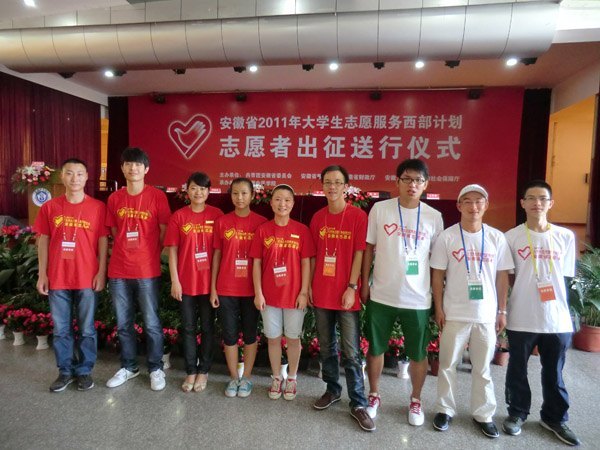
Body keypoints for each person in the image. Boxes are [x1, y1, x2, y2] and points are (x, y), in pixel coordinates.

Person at [361, 158, 444, 425]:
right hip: (382, 293)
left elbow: (437, 262)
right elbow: (369, 248)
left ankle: (416, 400)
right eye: (406, 179)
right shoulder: (380, 209)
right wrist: (364, 282)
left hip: (418, 298)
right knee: (375, 348)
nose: (412, 185)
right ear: (397, 182)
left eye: (418, 180)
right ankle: (374, 395)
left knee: (418, 352)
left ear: (426, 184)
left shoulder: (433, 216)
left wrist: (438, 299)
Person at [430, 184, 513, 438]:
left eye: (479, 201)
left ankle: (483, 414)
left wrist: (502, 311)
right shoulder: (447, 237)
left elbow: (502, 277)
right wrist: (438, 307)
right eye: (467, 201)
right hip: (454, 313)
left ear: (486, 206)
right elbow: (437, 275)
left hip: (486, 315)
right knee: (447, 365)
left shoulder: (497, 238)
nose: (473, 206)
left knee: (483, 368)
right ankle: (445, 409)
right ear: (459, 206)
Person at [502, 180, 581, 446]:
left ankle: (554, 418)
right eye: (531, 198)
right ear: (522, 203)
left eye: (543, 198)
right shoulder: (511, 237)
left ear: (551, 203)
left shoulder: (565, 237)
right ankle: (517, 413)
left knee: (554, 373)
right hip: (521, 316)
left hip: (556, 318)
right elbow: (508, 277)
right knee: (517, 370)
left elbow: (564, 278)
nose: (537, 203)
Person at [309, 165, 374, 432]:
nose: (332, 187)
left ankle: (358, 403)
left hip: (347, 292)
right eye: (327, 182)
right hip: (321, 290)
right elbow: (313, 256)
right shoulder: (318, 217)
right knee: (326, 347)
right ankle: (332, 390)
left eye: (337, 182)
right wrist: (309, 285)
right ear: (322, 186)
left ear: (346, 186)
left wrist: (352, 287)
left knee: (351, 351)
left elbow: (359, 253)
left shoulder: (358, 216)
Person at [35, 158, 108, 392]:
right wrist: (42, 274)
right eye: (69, 173)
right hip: (57, 277)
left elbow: (103, 241)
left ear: (86, 177)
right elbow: (43, 241)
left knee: (87, 329)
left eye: (79, 173)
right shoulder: (50, 207)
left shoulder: (98, 207)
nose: (74, 178)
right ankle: (65, 371)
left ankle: (84, 371)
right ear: (62, 177)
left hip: (87, 277)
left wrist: (101, 272)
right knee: (61, 330)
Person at [105, 147, 171, 391]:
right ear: (122, 168)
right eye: (128, 164)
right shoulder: (115, 198)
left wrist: (148, 252)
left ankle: (155, 368)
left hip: (147, 270)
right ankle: (129, 367)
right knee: (124, 323)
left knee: (151, 323)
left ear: (146, 169)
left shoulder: (157, 196)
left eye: (138, 164)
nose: (133, 168)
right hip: (119, 270)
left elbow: (164, 231)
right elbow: (114, 231)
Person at [251, 184, 315, 401]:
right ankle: (277, 377)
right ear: (271, 203)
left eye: (287, 200)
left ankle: (292, 378)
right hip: (269, 297)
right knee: (273, 339)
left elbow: (306, 263)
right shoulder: (263, 230)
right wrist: (258, 293)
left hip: (294, 296)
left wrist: (304, 292)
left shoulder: (302, 230)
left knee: (293, 339)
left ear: (293, 203)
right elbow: (257, 263)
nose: (282, 204)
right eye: (278, 199)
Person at [164, 172, 223, 393]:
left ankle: (204, 370)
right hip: (186, 283)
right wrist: (175, 281)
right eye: (194, 188)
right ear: (187, 190)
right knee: (188, 328)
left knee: (208, 328)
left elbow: (219, 252)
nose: (198, 192)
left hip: (208, 284)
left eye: (203, 188)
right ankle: (190, 370)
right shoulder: (179, 216)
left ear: (209, 191)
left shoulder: (217, 215)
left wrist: (215, 286)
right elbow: (172, 250)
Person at [211, 178, 266, 398]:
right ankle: (234, 378)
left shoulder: (261, 223)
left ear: (252, 195)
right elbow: (217, 256)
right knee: (230, 335)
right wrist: (213, 288)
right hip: (226, 288)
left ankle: (247, 378)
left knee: (251, 334)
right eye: (235, 193)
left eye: (244, 193)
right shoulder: (222, 222)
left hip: (251, 291)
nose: (240, 198)